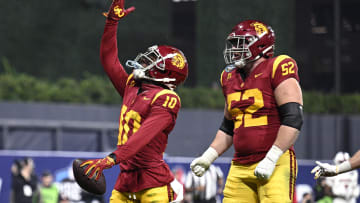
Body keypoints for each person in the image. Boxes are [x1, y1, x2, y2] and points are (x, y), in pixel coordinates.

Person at [78, 0, 186, 202]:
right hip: (126, 182)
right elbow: (109, 59)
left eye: (150, 60)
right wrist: (111, 23)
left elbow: (143, 136)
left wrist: (112, 158)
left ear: (165, 72)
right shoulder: (133, 86)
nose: (143, 62)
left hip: (152, 183)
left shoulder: (167, 98)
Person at [190, 20, 303, 202]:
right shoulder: (228, 77)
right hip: (240, 164)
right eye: (234, 44)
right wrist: (208, 156)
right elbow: (228, 127)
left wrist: (271, 158)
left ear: (260, 45)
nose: (235, 49)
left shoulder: (277, 66)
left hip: (274, 162)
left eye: (240, 44)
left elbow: (293, 118)